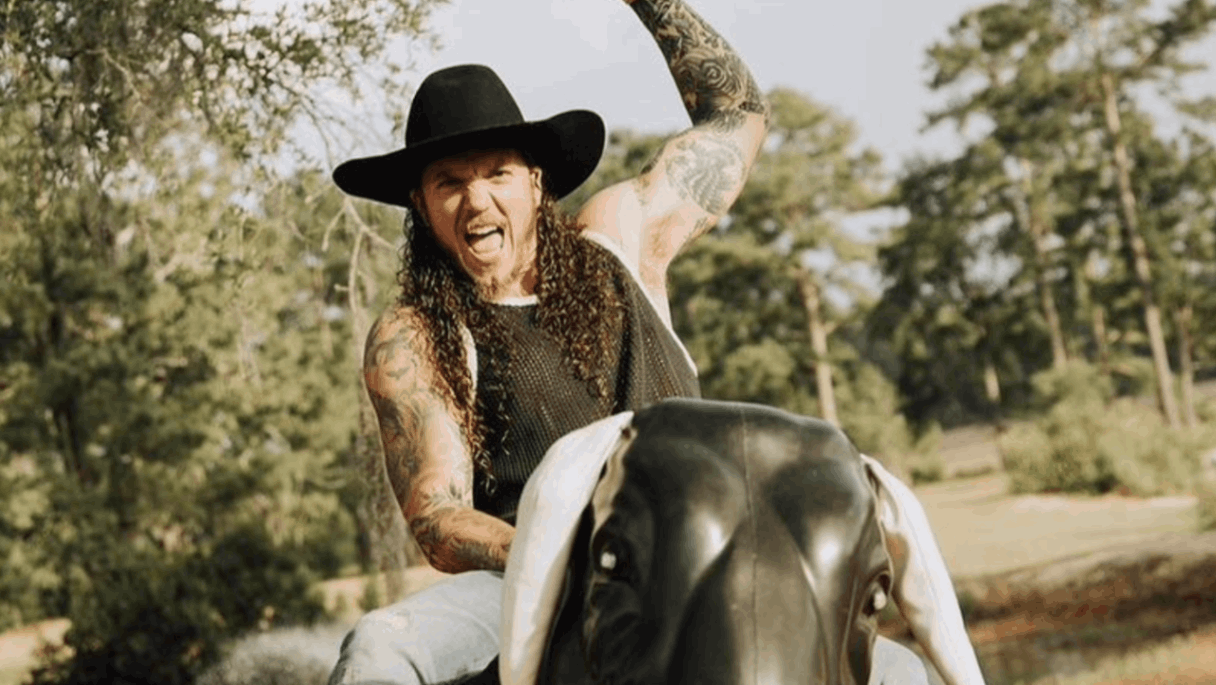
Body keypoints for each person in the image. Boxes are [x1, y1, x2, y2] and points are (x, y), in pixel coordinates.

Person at [327, 2, 985, 684]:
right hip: (529, 574)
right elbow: (437, 514)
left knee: (903, 674)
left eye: (497, 174)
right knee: (381, 649)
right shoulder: (415, 334)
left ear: (535, 181)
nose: (476, 201)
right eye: (449, 183)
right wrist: (555, 551)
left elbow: (737, 114)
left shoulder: (621, 240)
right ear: (421, 204)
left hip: (702, 549)